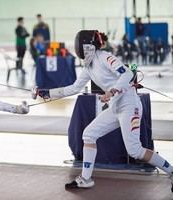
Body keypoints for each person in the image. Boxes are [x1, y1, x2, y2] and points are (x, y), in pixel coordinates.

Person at [33, 30, 173, 192]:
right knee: (89, 134)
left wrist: (113, 91)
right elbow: (74, 88)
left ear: (89, 47)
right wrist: (48, 93)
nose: (78, 50)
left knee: (135, 150)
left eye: (81, 46)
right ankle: (85, 179)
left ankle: (171, 171)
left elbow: (127, 73)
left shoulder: (105, 57)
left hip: (129, 104)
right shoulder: (88, 67)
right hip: (115, 107)